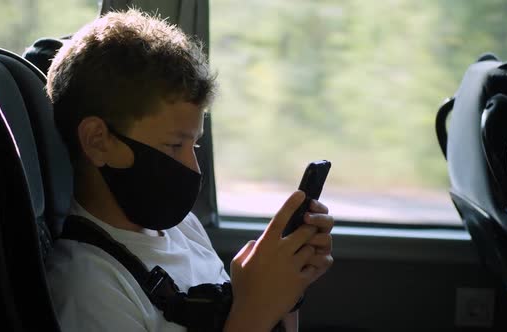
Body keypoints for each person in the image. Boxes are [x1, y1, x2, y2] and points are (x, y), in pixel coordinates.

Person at [45, 8, 334, 332]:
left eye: (194, 146)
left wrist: (283, 294)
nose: (192, 168)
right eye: (173, 146)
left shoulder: (184, 230)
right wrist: (255, 308)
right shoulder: (88, 287)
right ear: (98, 141)